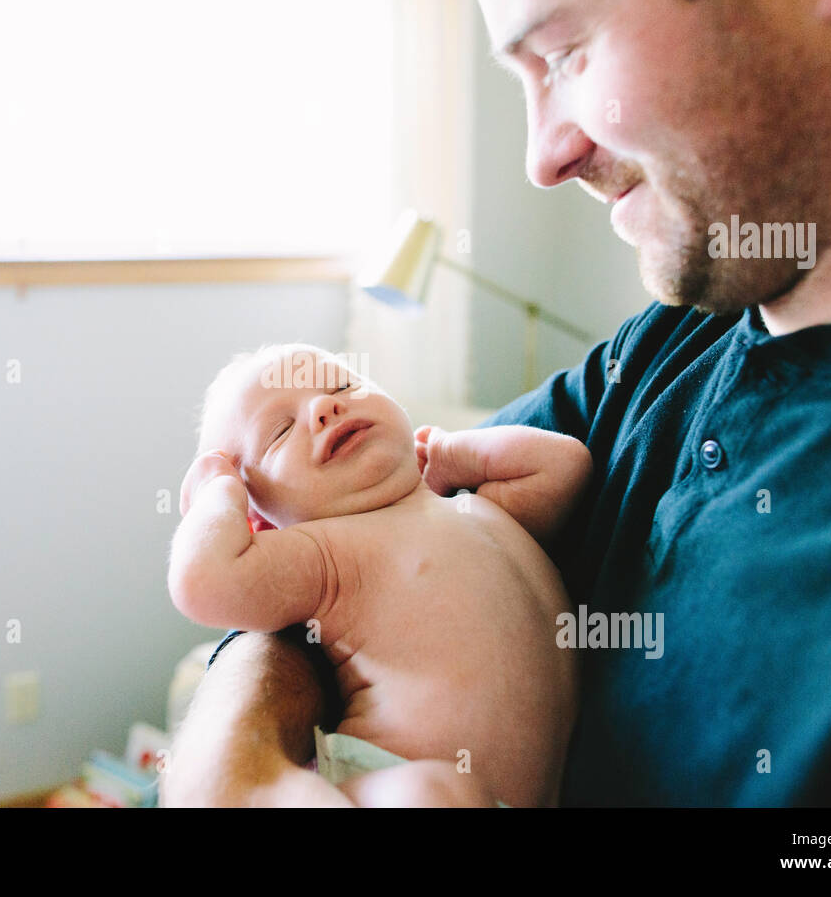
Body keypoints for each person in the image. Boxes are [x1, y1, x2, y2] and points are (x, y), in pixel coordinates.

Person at [162, 0, 831, 806]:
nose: (545, 158)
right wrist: (229, 768)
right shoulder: (662, 352)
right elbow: (334, 559)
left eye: (566, 53)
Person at [169, 343, 587, 806]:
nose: (325, 406)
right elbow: (207, 584)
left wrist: (449, 450)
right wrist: (218, 492)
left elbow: (564, 466)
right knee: (433, 791)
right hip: (396, 782)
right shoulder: (324, 552)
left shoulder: (472, 503)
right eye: (280, 432)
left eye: (344, 385)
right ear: (262, 523)